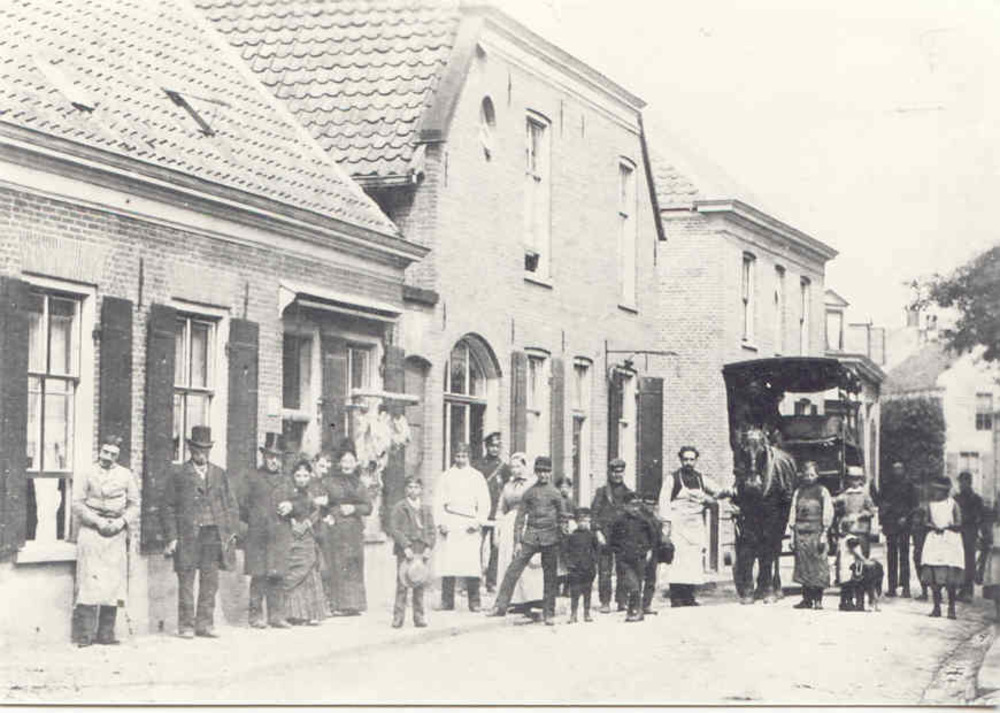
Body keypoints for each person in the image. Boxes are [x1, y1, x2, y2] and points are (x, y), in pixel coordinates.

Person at [161, 426, 242, 639]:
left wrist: (230, 532)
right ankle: (186, 625)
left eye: (205, 449)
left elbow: (231, 504)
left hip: (213, 536)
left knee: (210, 581)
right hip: (187, 536)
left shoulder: (219, 474)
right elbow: (167, 507)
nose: (201, 454)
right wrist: (172, 537)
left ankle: (204, 624)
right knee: (186, 581)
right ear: (190, 449)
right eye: (197, 449)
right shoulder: (179, 474)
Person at [71, 435, 140, 647]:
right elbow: (77, 504)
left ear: (118, 456)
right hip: (92, 531)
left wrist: (121, 522)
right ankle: (84, 635)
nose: (107, 457)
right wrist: (97, 521)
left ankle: (106, 634)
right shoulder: (87, 473)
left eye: (113, 454)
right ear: (99, 451)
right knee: (89, 582)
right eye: (105, 452)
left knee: (113, 583)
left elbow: (135, 504)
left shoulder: (125, 475)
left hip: (116, 532)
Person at [489, 456, 569, 625]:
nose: (543, 475)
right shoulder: (530, 492)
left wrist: (561, 534)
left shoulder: (555, 493)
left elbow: (563, 517)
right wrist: (518, 542)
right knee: (513, 569)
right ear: (536, 472)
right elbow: (519, 519)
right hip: (531, 536)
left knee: (550, 576)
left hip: (550, 538)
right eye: (540, 471)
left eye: (546, 472)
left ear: (550, 472)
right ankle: (500, 606)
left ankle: (549, 612)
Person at [660, 446, 728, 607]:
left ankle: (689, 596)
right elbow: (664, 502)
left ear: (696, 460)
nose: (689, 463)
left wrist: (712, 498)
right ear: (681, 460)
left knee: (693, 560)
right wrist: (666, 526)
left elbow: (719, 491)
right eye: (686, 459)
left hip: (695, 524)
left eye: (692, 459)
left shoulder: (701, 479)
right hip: (678, 524)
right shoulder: (672, 479)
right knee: (678, 560)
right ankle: (676, 597)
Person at [241, 432, 295, 629]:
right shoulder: (252, 477)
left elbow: (300, 502)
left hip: (280, 534)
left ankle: (276, 616)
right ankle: (255, 616)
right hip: (259, 535)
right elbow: (242, 505)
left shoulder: (287, 480)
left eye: (278, 457)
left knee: (278, 575)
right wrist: (256, 520)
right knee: (259, 575)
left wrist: (291, 506)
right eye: (271, 456)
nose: (274, 461)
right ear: (263, 456)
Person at [319, 440, 373, 616]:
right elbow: (321, 503)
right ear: (339, 463)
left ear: (356, 463)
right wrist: (327, 516)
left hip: (354, 532)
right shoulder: (329, 482)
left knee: (353, 564)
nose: (347, 464)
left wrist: (354, 509)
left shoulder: (360, 484)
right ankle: (336, 605)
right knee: (335, 565)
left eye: (351, 461)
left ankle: (353, 605)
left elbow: (368, 507)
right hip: (335, 530)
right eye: (344, 461)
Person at [436, 442, 491, 611]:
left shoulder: (477, 476)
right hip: (451, 521)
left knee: (471, 564)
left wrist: (478, 521)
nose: (460, 459)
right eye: (458, 456)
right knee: (448, 563)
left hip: (469, 523)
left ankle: (474, 601)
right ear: (454, 456)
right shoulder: (446, 476)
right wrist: (441, 522)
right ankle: (447, 601)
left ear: (469, 457)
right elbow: (438, 502)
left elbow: (485, 502)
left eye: (464, 456)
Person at [495, 452, 544, 616]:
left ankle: (532, 599)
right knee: (509, 560)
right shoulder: (508, 486)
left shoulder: (533, 483)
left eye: (518, 466)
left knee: (528, 561)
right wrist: (498, 528)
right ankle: (514, 600)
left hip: (528, 521)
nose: (515, 470)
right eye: (512, 467)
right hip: (509, 523)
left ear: (525, 466)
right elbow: (501, 508)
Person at [283, 458, 328, 626]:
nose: (302, 479)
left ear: (310, 476)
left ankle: (310, 614)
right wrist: (293, 523)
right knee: (294, 570)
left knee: (309, 571)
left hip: (307, 535)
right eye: (298, 475)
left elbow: (316, 511)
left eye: (305, 475)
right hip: (292, 535)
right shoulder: (288, 493)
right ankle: (293, 614)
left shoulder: (310, 494)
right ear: (293, 476)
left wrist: (308, 523)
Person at [389, 476, 436, 628]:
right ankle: (398, 617)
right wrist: (405, 546)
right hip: (406, 550)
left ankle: (419, 616)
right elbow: (395, 529)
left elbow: (431, 530)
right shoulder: (400, 507)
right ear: (405, 489)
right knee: (403, 582)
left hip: (421, 549)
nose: (413, 490)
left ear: (421, 490)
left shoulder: (425, 509)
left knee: (419, 581)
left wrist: (428, 547)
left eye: (416, 487)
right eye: (410, 487)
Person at [788, 460, 834, 610]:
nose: (809, 477)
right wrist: (791, 535)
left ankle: (818, 600)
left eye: (812, 475)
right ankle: (806, 599)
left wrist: (824, 533)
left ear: (817, 475)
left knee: (818, 565)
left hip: (817, 532)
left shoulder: (822, 491)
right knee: (803, 565)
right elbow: (793, 512)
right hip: (800, 532)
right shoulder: (798, 492)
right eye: (806, 475)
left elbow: (828, 511)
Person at [917, 475, 964, 619]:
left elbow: (959, 522)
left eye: (939, 490)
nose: (936, 493)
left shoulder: (953, 504)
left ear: (945, 491)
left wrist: (948, 526)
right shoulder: (930, 505)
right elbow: (925, 521)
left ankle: (951, 608)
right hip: (934, 539)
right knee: (933, 576)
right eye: (935, 490)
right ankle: (936, 607)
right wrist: (933, 526)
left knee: (949, 577)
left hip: (949, 540)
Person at [609, 492, 658, 622]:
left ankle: (635, 611)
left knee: (638, 585)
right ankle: (635, 610)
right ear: (625, 506)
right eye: (632, 505)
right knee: (633, 585)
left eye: (637, 505)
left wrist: (649, 550)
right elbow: (612, 540)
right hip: (624, 560)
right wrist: (617, 554)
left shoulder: (643, 520)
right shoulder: (618, 521)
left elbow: (652, 536)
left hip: (640, 558)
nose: (635, 509)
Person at [591, 459, 632, 613]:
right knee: (604, 570)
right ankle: (605, 602)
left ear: (624, 472)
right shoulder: (601, 492)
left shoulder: (629, 492)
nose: (617, 475)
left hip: (622, 536)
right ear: (609, 472)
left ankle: (622, 601)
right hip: (605, 536)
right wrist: (597, 532)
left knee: (623, 569)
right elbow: (594, 514)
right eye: (614, 471)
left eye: (620, 471)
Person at [834, 465, 876, 609]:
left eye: (857, 479)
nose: (854, 482)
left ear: (861, 480)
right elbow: (836, 508)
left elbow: (872, 511)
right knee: (846, 567)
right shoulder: (844, 495)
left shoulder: (865, 495)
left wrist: (860, 515)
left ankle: (860, 600)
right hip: (847, 534)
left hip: (861, 533)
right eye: (851, 479)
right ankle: (846, 600)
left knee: (860, 566)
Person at [474, 431, 511, 592]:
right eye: (492, 446)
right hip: (481, 511)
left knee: (496, 547)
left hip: (497, 512)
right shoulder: (478, 466)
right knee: (476, 545)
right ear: (486, 447)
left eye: (497, 446)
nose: (495, 449)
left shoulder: (504, 468)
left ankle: (491, 581)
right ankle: (474, 580)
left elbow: (507, 489)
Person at [878, 461, 918, 598]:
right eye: (894, 469)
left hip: (904, 525)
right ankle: (892, 587)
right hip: (890, 524)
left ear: (904, 470)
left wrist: (906, 517)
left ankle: (906, 587)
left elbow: (914, 505)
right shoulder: (887, 485)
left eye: (899, 468)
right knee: (891, 556)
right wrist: (883, 521)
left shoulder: (909, 485)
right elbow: (881, 503)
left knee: (904, 556)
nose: (897, 471)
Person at [954, 471, 985, 602]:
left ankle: (968, 591)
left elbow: (980, 517)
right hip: (957, 533)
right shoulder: (956, 498)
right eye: (960, 482)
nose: (961, 485)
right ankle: (960, 589)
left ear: (969, 483)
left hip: (970, 533)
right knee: (958, 561)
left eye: (964, 482)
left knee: (969, 561)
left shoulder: (976, 499)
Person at [564, 507, 599, 623]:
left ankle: (587, 613)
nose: (583, 523)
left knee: (587, 591)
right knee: (575, 592)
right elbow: (566, 552)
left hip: (588, 568)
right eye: (581, 521)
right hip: (575, 568)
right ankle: (573, 614)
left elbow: (597, 550)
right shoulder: (572, 536)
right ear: (576, 522)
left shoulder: (592, 536)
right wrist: (569, 564)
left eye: (586, 521)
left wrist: (594, 562)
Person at [639, 495, 663, 616]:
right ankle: (636, 605)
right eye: (647, 504)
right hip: (641, 552)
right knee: (638, 580)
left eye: (653, 504)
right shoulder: (639, 517)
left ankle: (646, 605)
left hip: (653, 552)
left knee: (651, 579)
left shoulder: (655, 518)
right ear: (643, 504)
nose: (650, 507)